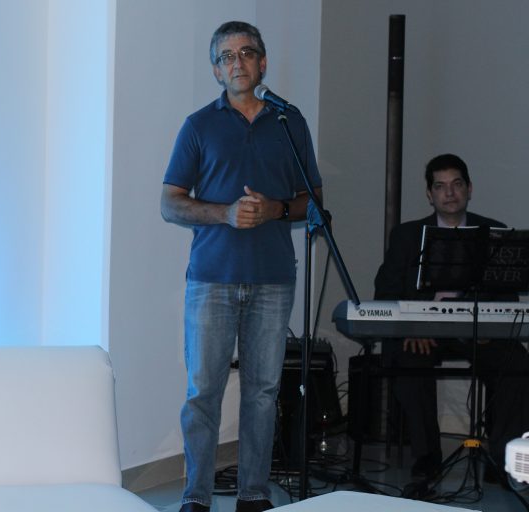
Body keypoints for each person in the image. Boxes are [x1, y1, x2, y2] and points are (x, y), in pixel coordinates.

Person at [161, 21, 322, 512]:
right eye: (226, 56)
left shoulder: (289, 122)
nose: (237, 63)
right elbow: (170, 203)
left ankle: (254, 494)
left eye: (247, 53)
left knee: (263, 391)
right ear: (216, 70)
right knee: (203, 392)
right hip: (211, 278)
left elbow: (313, 201)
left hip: (274, 278)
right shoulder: (198, 126)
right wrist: (224, 213)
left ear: (262, 62)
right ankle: (196, 496)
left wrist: (276, 209)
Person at [374, 153, 529, 482]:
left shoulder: (495, 232)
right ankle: (427, 457)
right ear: (429, 194)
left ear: (469, 189)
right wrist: (412, 327)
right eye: (440, 186)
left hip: (478, 332)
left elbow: (506, 294)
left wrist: (487, 328)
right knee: (408, 361)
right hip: (424, 332)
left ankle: (502, 459)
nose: (449, 192)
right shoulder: (406, 235)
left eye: (457, 184)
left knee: (515, 361)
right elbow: (386, 291)